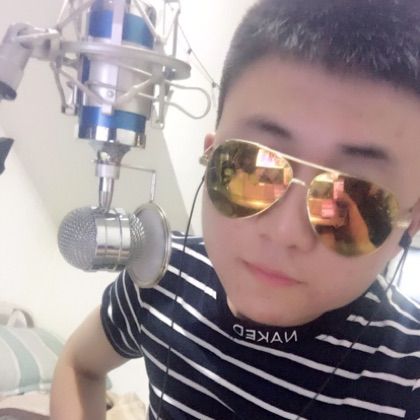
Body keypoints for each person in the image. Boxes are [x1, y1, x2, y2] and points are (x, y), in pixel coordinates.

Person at [50, 0, 420, 418]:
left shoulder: (408, 378)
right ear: (210, 158)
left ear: (411, 223)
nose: (284, 232)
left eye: (351, 201)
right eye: (251, 168)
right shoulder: (160, 274)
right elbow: (79, 365)